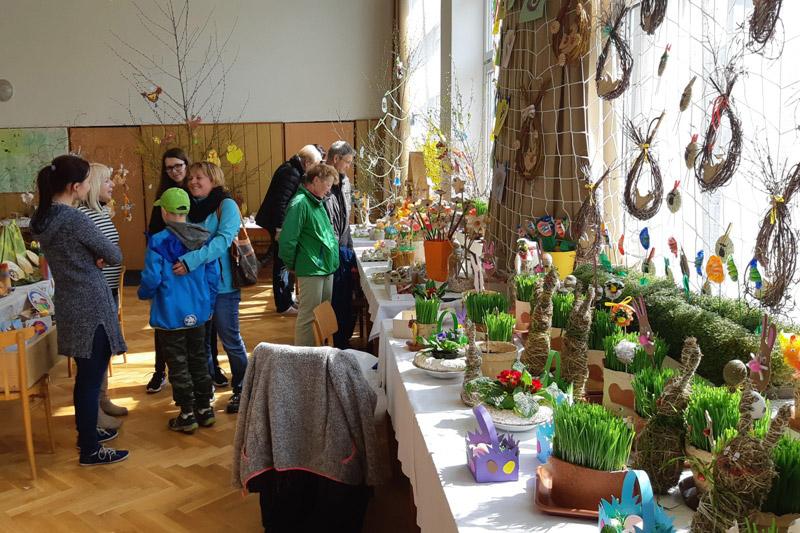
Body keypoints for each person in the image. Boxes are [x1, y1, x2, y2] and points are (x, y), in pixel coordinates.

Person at [31, 154, 129, 466]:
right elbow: (114, 254)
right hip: (91, 303)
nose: (89, 185)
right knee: (90, 378)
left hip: (69, 301)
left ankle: (86, 433)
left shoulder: (43, 218)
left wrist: (89, 256)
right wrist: (94, 257)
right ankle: (89, 449)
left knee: (85, 375)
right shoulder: (74, 219)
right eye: (87, 181)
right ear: (75, 187)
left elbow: (74, 253)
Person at [138, 188, 219, 433]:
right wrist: (208, 305)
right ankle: (205, 409)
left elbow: (152, 278)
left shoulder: (158, 242)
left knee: (178, 365)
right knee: (199, 359)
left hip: (169, 315)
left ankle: (187, 414)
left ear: (164, 212)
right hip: (199, 312)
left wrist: (143, 293)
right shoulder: (203, 238)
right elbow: (213, 276)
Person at [175, 162, 249, 414]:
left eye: (199, 177)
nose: (193, 181)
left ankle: (243, 388)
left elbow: (221, 242)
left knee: (230, 339)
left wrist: (191, 260)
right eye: (190, 178)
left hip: (223, 286)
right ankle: (204, 392)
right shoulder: (188, 205)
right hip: (195, 286)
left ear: (214, 180)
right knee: (201, 343)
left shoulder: (226, 205)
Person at [78, 163, 128, 430]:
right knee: (96, 351)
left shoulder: (101, 212)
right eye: (106, 181)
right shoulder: (83, 215)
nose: (112, 185)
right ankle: (95, 410)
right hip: (96, 290)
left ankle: (103, 398)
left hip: (108, 289)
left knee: (105, 346)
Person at [254, 145, 322, 314]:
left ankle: (287, 300)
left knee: (283, 261)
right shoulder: (291, 173)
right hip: (278, 224)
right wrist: (280, 229)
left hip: (279, 223)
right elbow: (281, 204)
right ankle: (283, 305)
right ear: (307, 162)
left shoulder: (292, 169)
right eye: (315, 165)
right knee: (282, 262)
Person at [278, 163, 340, 346]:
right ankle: (304, 356)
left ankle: (319, 352)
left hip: (324, 266)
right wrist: (293, 264)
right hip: (312, 267)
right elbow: (287, 240)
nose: (329, 190)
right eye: (327, 185)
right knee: (308, 316)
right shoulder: (300, 203)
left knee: (322, 313)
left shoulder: (316, 201)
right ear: (316, 180)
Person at [324, 141, 357, 349]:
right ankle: (334, 342)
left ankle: (344, 339)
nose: (348, 166)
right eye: (347, 162)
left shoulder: (345, 182)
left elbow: (346, 217)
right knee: (334, 298)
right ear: (335, 159)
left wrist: (349, 248)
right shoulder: (322, 182)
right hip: (329, 249)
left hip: (344, 247)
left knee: (346, 296)